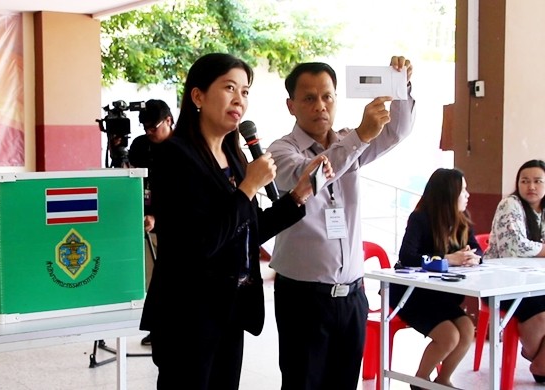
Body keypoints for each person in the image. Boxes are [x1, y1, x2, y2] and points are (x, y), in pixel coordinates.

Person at [139, 52, 334, 390]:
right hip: (188, 314)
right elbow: (199, 245)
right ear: (198, 96)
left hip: (230, 308)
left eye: (245, 91)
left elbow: (248, 230)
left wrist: (297, 196)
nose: (239, 100)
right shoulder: (175, 156)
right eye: (229, 88)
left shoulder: (235, 155)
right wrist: (247, 188)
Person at [267, 56, 415, 390]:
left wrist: (400, 86)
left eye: (327, 96)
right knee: (302, 383)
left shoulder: (350, 142)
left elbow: (396, 131)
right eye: (309, 98)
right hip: (303, 297)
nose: (320, 106)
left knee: (344, 383)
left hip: (351, 295)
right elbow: (311, 177)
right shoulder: (281, 150)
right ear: (291, 105)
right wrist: (360, 135)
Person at [390, 168, 481, 389]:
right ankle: (420, 381)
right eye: (463, 190)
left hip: (441, 296)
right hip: (412, 296)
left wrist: (473, 257)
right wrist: (448, 259)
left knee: (467, 329)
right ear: (449, 194)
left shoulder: (462, 221)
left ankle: (443, 380)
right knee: (449, 336)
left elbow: (478, 250)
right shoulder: (420, 219)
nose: (467, 195)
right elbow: (408, 257)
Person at [485, 159, 545, 386]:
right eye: (525, 181)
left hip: (543, 282)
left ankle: (541, 364)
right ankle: (541, 362)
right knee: (542, 316)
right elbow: (516, 247)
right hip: (505, 283)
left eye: (537, 181)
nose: (530, 186)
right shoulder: (510, 205)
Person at [129, 99, 175, 346]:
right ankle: (157, 328)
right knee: (153, 281)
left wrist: (160, 215)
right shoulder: (140, 146)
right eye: (145, 127)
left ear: (169, 120)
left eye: (154, 126)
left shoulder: (184, 148)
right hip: (146, 222)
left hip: (176, 225)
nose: (149, 132)